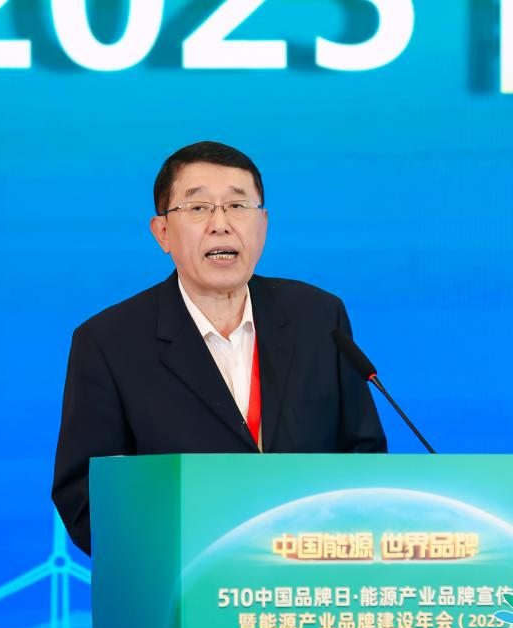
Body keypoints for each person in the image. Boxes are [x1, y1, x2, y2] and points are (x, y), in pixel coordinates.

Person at [51, 141, 387, 555]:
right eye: (198, 208)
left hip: (306, 578)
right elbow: (85, 498)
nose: (221, 224)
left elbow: (365, 458)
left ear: (263, 224)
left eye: (238, 206)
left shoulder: (319, 317)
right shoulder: (109, 342)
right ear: (162, 233)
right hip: (186, 579)